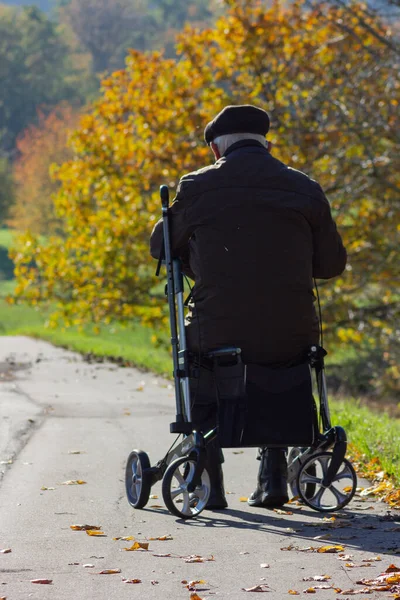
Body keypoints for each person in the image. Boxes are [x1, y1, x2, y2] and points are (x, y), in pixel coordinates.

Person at [150, 104, 346, 510]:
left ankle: (211, 482)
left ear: (216, 149)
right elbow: (331, 265)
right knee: (278, 359)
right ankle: (273, 477)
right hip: (292, 333)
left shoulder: (197, 186)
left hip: (218, 329)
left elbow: (160, 247)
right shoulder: (304, 188)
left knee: (199, 356)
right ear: (265, 143)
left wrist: (195, 261)